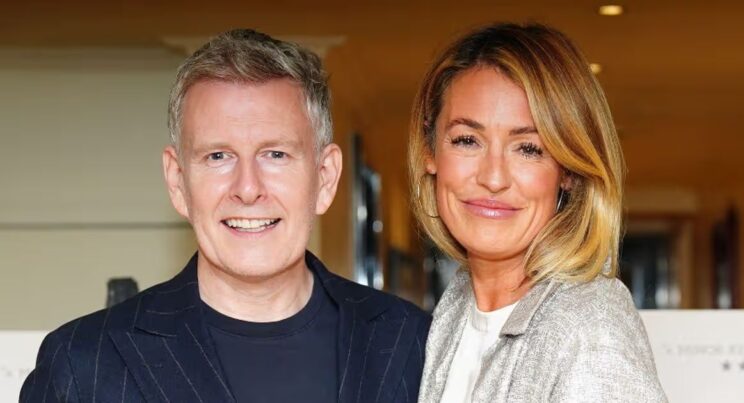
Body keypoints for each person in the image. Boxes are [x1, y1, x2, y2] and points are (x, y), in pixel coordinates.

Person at [21, 29, 430, 403]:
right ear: (178, 181)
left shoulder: (413, 343)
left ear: (325, 177)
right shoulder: (81, 364)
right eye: (218, 156)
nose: (248, 189)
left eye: (275, 154)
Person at [409, 23, 666, 402]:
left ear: (569, 171)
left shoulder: (588, 327)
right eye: (467, 140)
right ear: (430, 152)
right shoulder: (457, 309)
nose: (493, 178)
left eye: (528, 148)